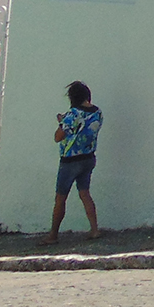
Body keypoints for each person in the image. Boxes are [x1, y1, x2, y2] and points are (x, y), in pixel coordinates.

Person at [44, 81, 103, 244]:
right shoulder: (97, 112)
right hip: (88, 157)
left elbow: (58, 137)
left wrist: (61, 123)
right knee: (85, 193)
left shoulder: (73, 114)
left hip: (70, 161)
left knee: (61, 198)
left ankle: (53, 235)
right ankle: (94, 229)